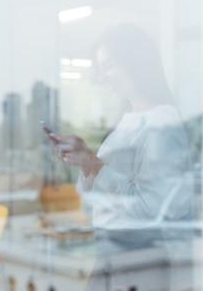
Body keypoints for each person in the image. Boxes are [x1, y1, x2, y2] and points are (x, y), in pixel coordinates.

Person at [45, 23, 192, 290]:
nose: (103, 76)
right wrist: (84, 164)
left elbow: (156, 207)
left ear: (136, 63)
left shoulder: (162, 121)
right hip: (110, 250)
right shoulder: (126, 120)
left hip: (137, 257)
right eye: (100, 68)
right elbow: (96, 196)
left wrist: (93, 164)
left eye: (110, 65)